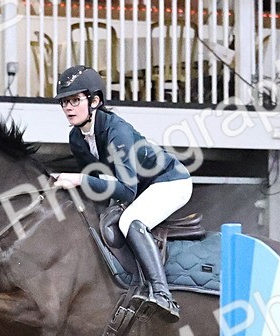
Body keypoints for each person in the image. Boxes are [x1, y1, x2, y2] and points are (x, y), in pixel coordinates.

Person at [52, 65, 191, 323]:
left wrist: (79, 179)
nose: (68, 108)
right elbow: (97, 185)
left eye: (74, 100)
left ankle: (162, 295)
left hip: (169, 182)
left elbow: (125, 190)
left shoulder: (118, 131)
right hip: (139, 187)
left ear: (95, 101)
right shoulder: (77, 137)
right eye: (64, 102)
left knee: (130, 222)